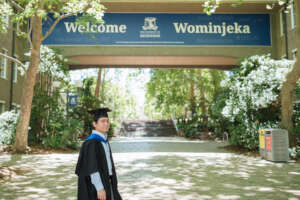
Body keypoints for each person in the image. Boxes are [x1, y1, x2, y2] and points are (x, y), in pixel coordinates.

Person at [75, 108, 122, 200]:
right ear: (94, 124)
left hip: (108, 182)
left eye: (107, 121)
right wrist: (100, 188)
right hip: (96, 187)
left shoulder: (103, 140)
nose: (106, 124)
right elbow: (92, 168)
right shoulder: (92, 142)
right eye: (103, 121)